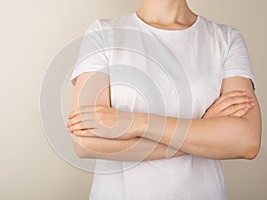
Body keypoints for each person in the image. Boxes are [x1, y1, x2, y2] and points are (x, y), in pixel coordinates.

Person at [67, 0, 262, 199]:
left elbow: (247, 142)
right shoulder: (103, 33)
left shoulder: (226, 39)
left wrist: (136, 123)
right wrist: (202, 130)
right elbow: (85, 142)